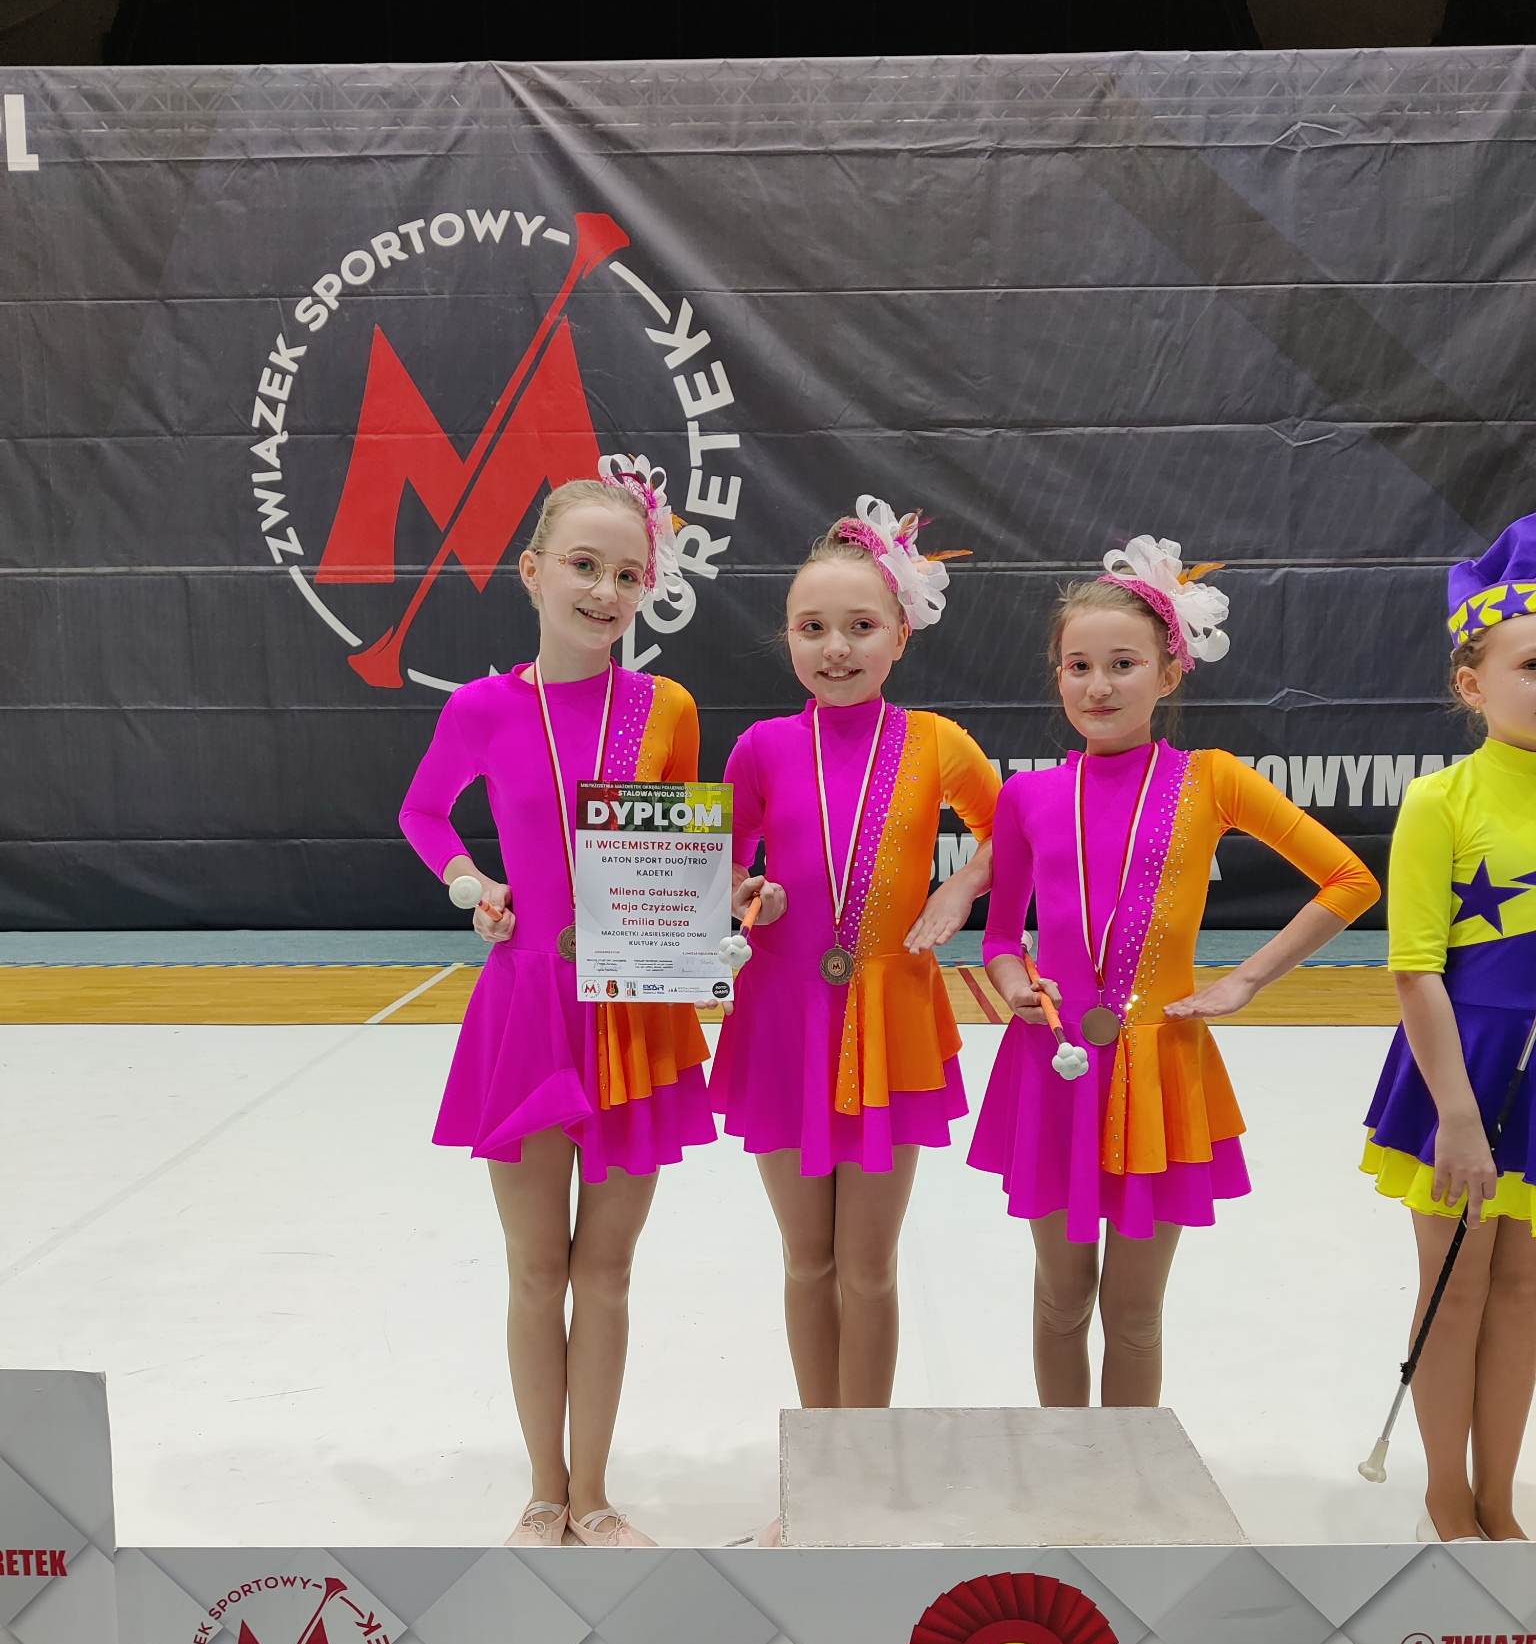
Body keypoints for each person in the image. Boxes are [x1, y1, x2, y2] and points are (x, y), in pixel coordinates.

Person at [969, 535, 1378, 1408]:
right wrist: (1013, 988)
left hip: (1158, 1071)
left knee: (1134, 1312)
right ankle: (1065, 1459)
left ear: (1169, 672)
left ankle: (1126, 1476)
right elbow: (999, 938)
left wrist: (1246, 979)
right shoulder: (1029, 796)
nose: (1099, 686)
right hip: (1055, 1066)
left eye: (1123, 664)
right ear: (1058, 675)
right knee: (1060, 1300)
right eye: (1078, 666)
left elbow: (1351, 879)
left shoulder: (1211, 780)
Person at [399, 459, 713, 1548]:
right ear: (533, 572)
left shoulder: (666, 708)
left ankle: (595, 1493)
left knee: (605, 1270)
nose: (605, 590)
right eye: (584, 565)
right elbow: (424, 812)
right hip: (528, 1008)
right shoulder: (484, 708)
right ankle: (543, 1489)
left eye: (628, 574)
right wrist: (470, 881)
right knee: (538, 1269)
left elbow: (678, 852)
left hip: (631, 1013)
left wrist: (718, 908)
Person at [711, 498, 1000, 1459]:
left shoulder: (938, 743)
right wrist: (745, 896)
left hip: (890, 1021)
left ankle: (866, 1471)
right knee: (807, 1262)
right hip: (783, 1022)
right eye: (812, 628)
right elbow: (725, 870)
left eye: (860, 626)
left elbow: (1016, 833)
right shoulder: (761, 747)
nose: (836, 648)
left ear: (901, 634)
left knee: (867, 1268)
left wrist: (961, 885)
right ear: (789, 636)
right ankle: (820, 1464)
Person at [1363, 514, 1536, 1542]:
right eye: (1533, 664)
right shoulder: (1442, 798)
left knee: (1522, 1289)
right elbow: (1414, 968)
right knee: (1458, 1285)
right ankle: (1444, 1494)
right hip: (1461, 1072)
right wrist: (1459, 1118)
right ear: (1473, 684)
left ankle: (1498, 1494)